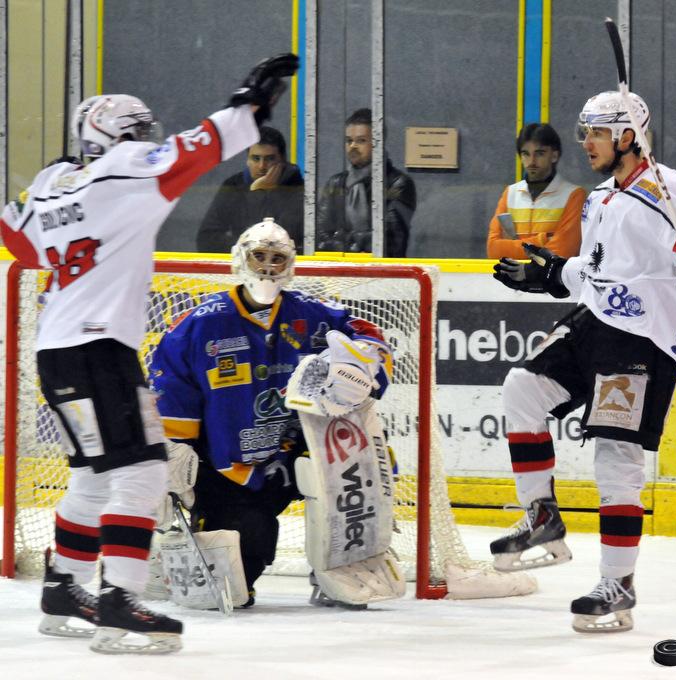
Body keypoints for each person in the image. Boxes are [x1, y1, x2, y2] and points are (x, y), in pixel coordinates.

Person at [0, 54, 299, 653]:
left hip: (56, 353)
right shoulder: (123, 170)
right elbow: (193, 151)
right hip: (99, 348)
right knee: (143, 472)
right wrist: (249, 107)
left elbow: (17, 241)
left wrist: (64, 197)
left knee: (92, 474)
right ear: (112, 139)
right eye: (136, 132)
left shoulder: (54, 184)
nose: (144, 141)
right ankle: (120, 599)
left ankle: (64, 587)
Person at [490, 90, 676, 633]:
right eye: (584, 132)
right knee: (521, 390)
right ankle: (541, 517)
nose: (587, 143)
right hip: (596, 321)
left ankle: (617, 584)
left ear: (628, 137)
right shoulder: (602, 196)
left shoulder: (664, 187)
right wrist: (553, 274)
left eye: (597, 133)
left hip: (644, 338)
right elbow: (599, 267)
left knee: (615, 453)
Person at [149, 218, 392, 607]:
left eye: (276, 258)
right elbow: (172, 392)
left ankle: (342, 564)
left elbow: (369, 337)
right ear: (240, 260)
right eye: (258, 256)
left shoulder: (311, 315)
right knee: (240, 569)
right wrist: (173, 452)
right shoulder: (200, 325)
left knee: (365, 454)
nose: (266, 266)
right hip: (229, 471)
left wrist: (362, 366)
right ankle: (159, 555)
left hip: (293, 454)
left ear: (289, 265)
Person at [316, 108, 416, 257]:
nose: (353, 146)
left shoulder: (397, 183)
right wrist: (358, 241)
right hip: (339, 267)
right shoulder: (336, 183)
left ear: (378, 143)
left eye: (361, 141)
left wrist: (341, 239)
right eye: (349, 140)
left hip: (385, 268)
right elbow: (317, 235)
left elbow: (390, 241)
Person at [196, 125, 303, 253]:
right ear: (247, 160)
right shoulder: (234, 186)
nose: (262, 166)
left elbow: (281, 238)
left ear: (282, 161)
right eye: (256, 158)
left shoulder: (297, 188)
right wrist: (245, 248)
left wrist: (258, 192)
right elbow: (206, 239)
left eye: (270, 159)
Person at [486, 123, 585, 260]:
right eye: (525, 154)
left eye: (540, 154)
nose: (531, 161)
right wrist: (542, 241)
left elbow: (563, 252)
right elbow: (493, 249)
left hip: (554, 275)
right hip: (513, 274)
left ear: (554, 156)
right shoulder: (510, 193)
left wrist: (512, 246)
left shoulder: (574, 195)